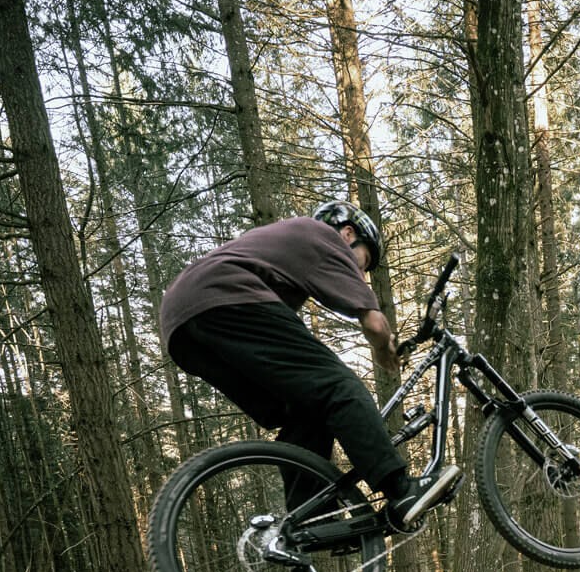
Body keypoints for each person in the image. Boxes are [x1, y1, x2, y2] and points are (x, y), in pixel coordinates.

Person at [157, 201, 459, 533]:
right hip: (225, 297)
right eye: (364, 262)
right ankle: (400, 491)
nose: (361, 275)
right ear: (348, 234)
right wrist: (384, 349)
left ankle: (315, 522)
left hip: (181, 329)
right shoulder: (322, 236)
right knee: (338, 386)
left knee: (304, 409)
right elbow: (374, 324)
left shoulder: (291, 247)